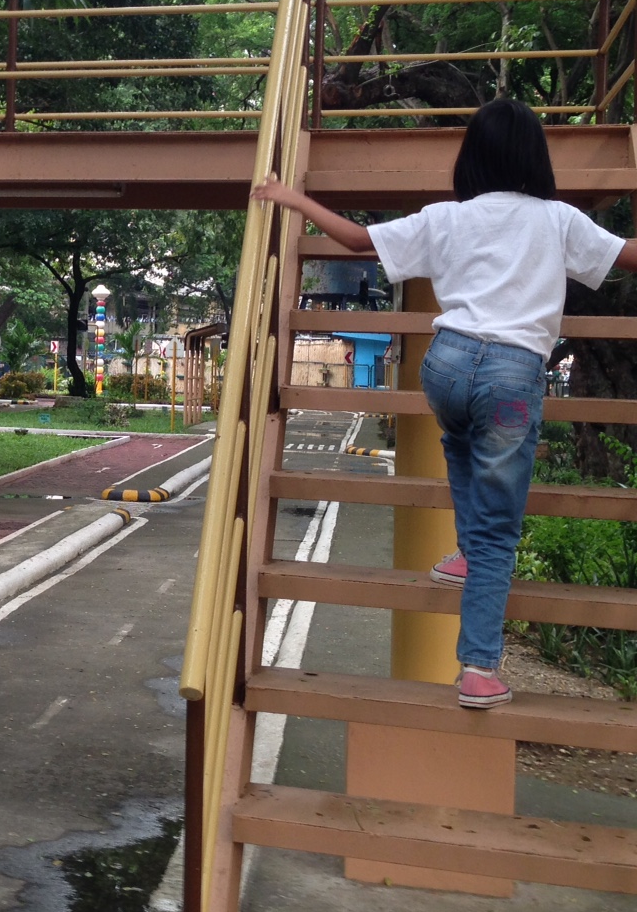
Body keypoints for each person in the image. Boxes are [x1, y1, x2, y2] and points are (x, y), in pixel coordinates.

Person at [252, 99, 637, 708]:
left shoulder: (448, 217)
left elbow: (355, 238)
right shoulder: (559, 219)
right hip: (512, 378)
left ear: (472, 158)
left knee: (459, 439)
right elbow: (627, 256)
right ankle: (479, 668)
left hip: (447, 365)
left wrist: (290, 197)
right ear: (535, 157)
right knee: (500, 533)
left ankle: (462, 552)